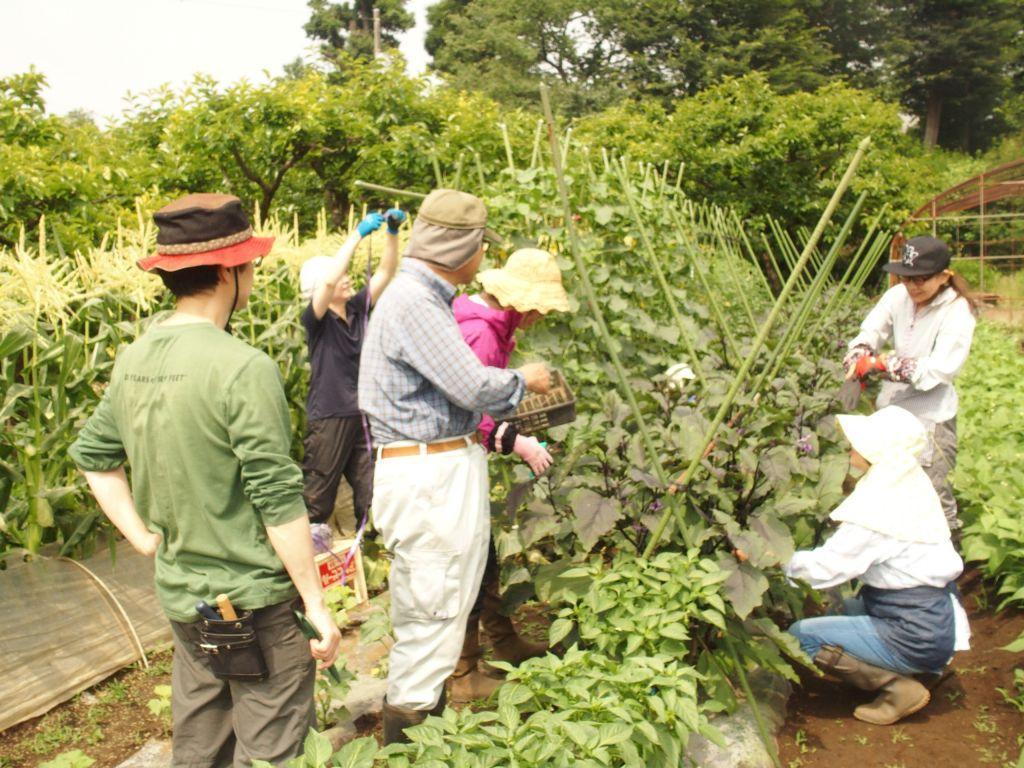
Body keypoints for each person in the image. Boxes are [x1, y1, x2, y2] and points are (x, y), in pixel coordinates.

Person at [68, 194, 341, 768]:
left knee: (201, 747)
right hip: (256, 603)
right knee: (271, 751)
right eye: (248, 268)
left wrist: (144, 539)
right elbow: (276, 498)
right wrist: (316, 602)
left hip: (185, 602)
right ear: (226, 272)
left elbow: (95, 457)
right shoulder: (243, 367)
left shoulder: (132, 359)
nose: (251, 278)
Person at [357, 189, 552, 744]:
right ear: (462, 247)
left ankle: (427, 737)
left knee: (439, 613)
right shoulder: (417, 302)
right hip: (428, 476)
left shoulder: (424, 298)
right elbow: (472, 386)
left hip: (435, 468)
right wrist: (526, 379)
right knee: (432, 614)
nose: (483, 260)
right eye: (481, 247)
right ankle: (409, 747)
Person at [782, 406, 970, 726]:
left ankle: (899, 687)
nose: (851, 449)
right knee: (843, 610)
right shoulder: (909, 484)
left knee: (802, 636)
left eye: (858, 444)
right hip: (933, 623)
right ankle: (917, 668)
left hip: (914, 633)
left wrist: (775, 561)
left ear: (874, 452)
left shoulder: (879, 509)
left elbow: (826, 568)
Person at [449, 247, 570, 700]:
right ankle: (462, 675)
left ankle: (502, 642)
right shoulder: (480, 333)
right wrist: (516, 441)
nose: (539, 317)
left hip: (464, 458)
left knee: (484, 556)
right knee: (469, 563)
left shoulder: (492, 327)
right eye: (538, 307)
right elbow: (469, 407)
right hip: (453, 459)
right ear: (521, 301)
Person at [843, 235, 977, 535]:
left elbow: (939, 371)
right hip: (890, 417)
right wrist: (859, 354)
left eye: (923, 279)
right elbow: (870, 331)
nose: (914, 286)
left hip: (930, 421)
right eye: (907, 278)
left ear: (945, 276)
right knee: (888, 492)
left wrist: (883, 365)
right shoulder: (896, 298)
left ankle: (944, 574)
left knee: (933, 497)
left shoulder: (957, 310)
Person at [299, 208, 404, 532]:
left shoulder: (358, 309)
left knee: (372, 491)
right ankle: (304, 559)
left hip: (363, 415)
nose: (346, 278)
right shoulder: (316, 319)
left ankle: (371, 553)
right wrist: (357, 235)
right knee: (318, 498)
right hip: (330, 417)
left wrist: (391, 233)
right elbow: (330, 277)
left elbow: (386, 272)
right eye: (339, 276)